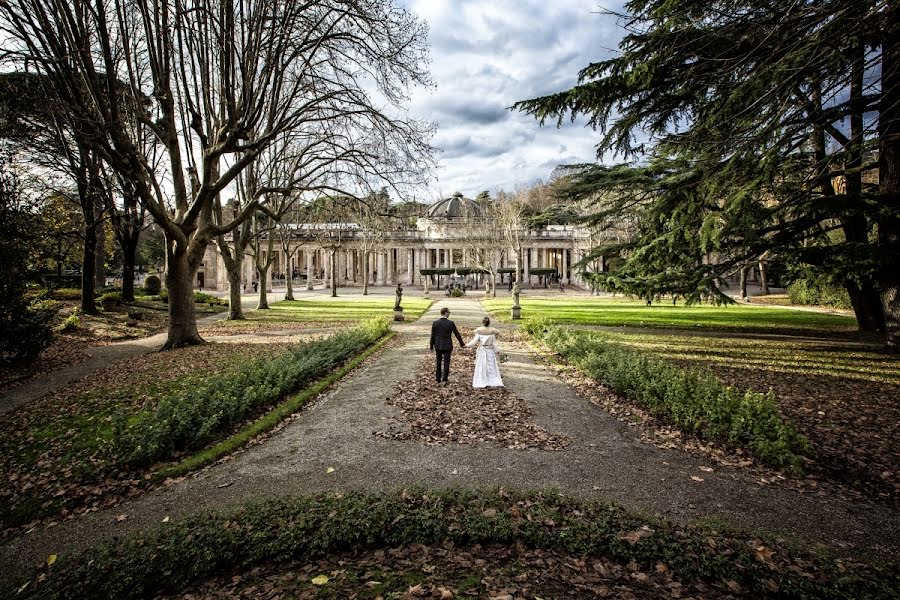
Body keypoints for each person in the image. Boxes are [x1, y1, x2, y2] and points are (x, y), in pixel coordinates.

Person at [429, 306, 464, 385]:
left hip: (438, 345)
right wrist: (462, 343)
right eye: (449, 312)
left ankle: (438, 378)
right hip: (447, 345)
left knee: (438, 361)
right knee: (446, 362)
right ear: (445, 313)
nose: (449, 314)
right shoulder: (450, 323)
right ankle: (444, 379)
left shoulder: (435, 323)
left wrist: (431, 346)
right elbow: (457, 334)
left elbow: (432, 335)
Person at [466, 316, 504, 388]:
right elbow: (494, 343)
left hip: (482, 351)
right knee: (491, 365)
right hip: (490, 350)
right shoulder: (493, 331)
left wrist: (467, 345)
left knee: (482, 365)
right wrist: (497, 351)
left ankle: (482, 378)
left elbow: (474, 342)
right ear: (489, 323)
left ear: (483, 322)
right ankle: (491, 379)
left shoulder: (479, 331)